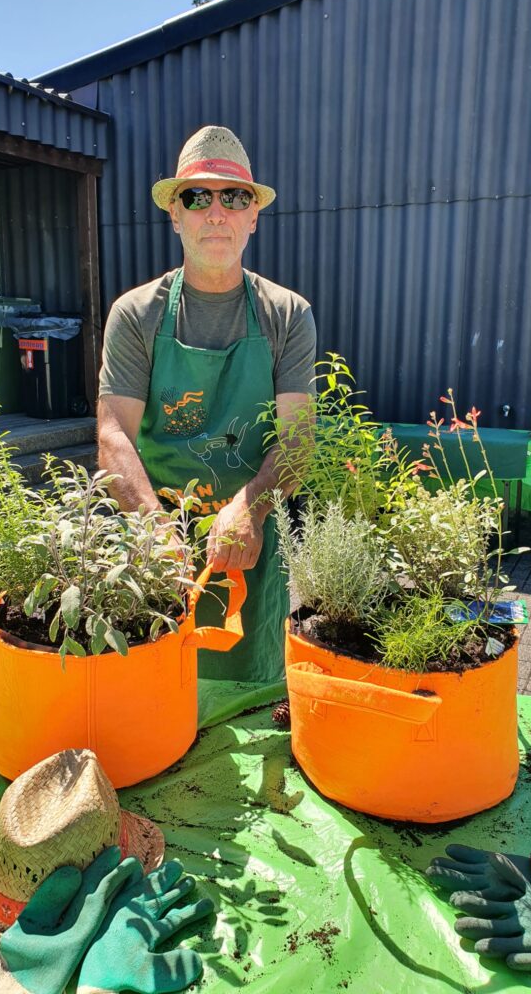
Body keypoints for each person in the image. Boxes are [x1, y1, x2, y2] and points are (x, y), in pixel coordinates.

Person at [97, 126, 316, 683]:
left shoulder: (287, 314)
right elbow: (113, 436)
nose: (216, 211)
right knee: (151, 691)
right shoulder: (135, 313)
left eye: (234, 197)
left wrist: (250, 508)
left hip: (252, 540)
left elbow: (297, 438)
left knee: (248, 691)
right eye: (197, 196)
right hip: (152, 536)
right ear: (175, 214)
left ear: (253, 216)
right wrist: (153, 532)